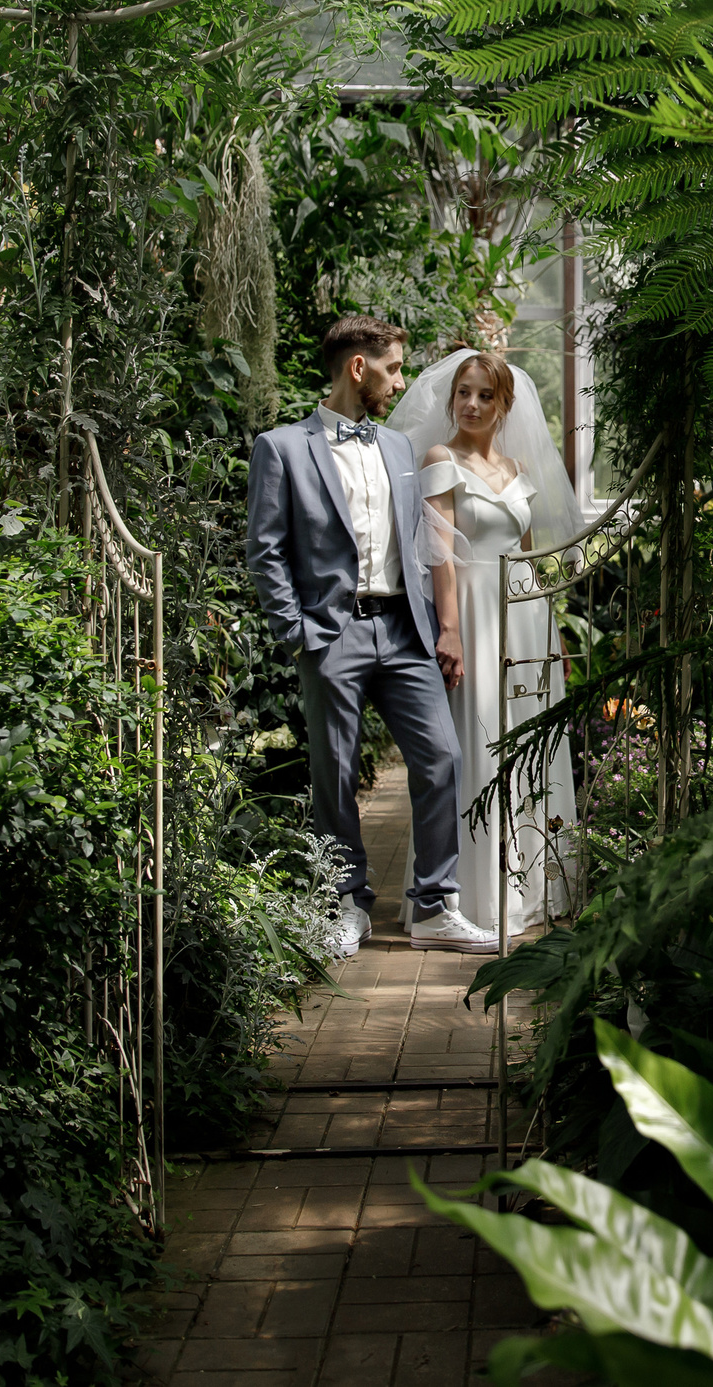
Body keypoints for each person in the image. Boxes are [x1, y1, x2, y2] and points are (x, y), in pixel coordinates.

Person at [244, 317, 494, 957]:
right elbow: (265, 551)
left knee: (441, 758)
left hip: (402, 629)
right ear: (360, 368)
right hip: (333, 633)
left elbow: (423, 538)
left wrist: (443, 626)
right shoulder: (281, 448)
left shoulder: (397, 449)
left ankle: (436, 906)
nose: (400, 380)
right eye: (393, 368)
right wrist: (297, 633)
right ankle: (346, 902)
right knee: (334, 773)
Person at [385, 347, 584, 940]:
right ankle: (471, 898)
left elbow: (526, 552)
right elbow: (439, 554)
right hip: (471, 612)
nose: (471, 404)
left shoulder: (518, 469)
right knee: (478, 739)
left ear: (504, 404)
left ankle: (535, 887)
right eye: (464, 393)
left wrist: (552, 637)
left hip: (524, 614)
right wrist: (448, 629)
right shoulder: (438, 458)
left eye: (485, 395)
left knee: (531, 738)